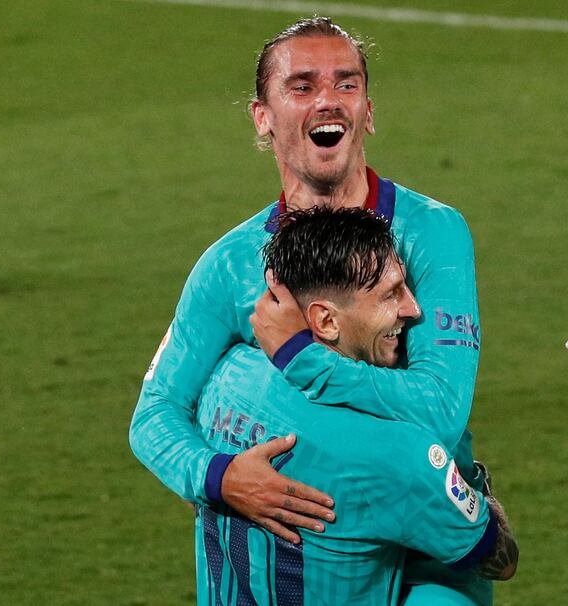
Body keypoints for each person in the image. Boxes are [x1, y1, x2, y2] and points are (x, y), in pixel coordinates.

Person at [129, 15, 486, 598]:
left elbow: (441, 411)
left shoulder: (432, 234)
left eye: (347, 84)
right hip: (311, 536)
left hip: (428, 532)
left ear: (368, 111)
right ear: (262, 118)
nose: (329, 100)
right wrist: (221, 477)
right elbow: (155, 416)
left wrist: (300, 355)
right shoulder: (229, 265)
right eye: (302, 86)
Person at [194, 206, 517, 605]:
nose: (414, 309)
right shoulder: (400, 457)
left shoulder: (223, 378)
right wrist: (469, 489)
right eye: (390, 293)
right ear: (326, 321)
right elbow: (498, 559)